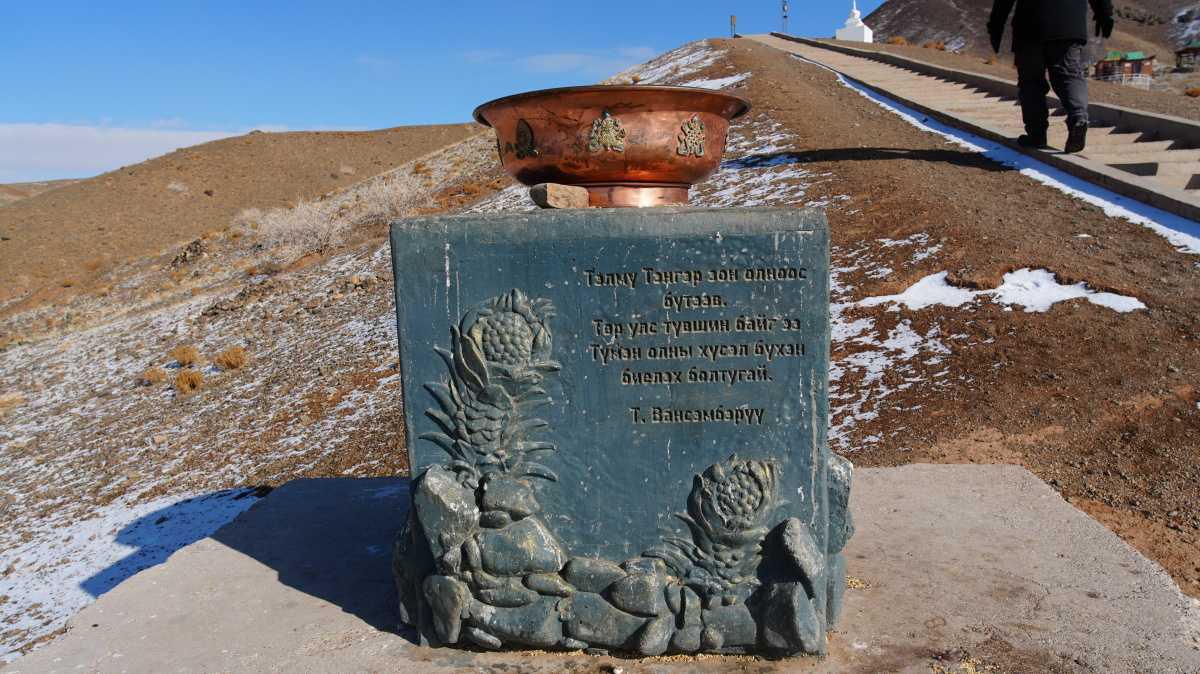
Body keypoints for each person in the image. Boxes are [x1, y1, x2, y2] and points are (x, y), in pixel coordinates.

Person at [988, 0, 1114, 153]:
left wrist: (996, 24)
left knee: (1031, 82)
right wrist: (1105, 14)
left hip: (1030, 25)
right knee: (1069, 76)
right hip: (1069, 24)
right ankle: (1078, 116)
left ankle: (1037, 135)